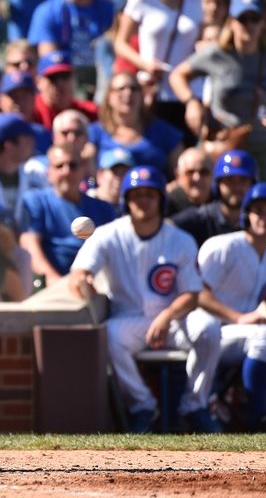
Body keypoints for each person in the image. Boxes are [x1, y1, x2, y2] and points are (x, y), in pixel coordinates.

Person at [69, 165, 222, 434]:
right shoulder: (108, 233)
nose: (143, 201)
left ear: (161, 199)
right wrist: (85, 280)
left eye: (149, 194)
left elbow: (193, 294)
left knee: (208, 328)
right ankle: (143, 406)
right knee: (111, 336)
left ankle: (194, 405)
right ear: (126, 199)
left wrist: (166, 317)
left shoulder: (180, 239)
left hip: (174, 318)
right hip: (131, 318)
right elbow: (79, 272)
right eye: (136, 194)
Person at [195, 182, 266, 429]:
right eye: (258, 210)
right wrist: (237, 317)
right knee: (265, 337)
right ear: (247, 214)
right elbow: (199, 295)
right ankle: (254, 418)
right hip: (211, 332)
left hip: (247, 332)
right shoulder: (223, 246)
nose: (264, 217)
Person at [169, 0, 266, 184]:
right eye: (242, 19)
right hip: (223, 140)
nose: (248, 25)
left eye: (254, 19)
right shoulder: (217, 54)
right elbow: (177, 75)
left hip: (260, 141)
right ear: (232, 23)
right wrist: (191, 102)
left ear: (262, 24)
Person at [114, 0, 202, 145]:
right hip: (152, 87)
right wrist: (146, 64)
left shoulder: (194, 1)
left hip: (184, 90)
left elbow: (200, 38)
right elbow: (121, 43)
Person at [172, 149, 266, 277]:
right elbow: (165, 228)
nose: (237, 186)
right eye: (230, 180)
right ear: (218, 184)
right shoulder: (200, 218)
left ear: (252, 184)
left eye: (243, 180)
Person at [19, 143, 116, 287]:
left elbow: (114, 253)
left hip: (96, 285)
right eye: (59, 166)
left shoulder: (104, 208)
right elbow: (29, 245)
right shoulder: (35, 201)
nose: (67, 171)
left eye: (73, 165)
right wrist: (54, 281)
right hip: (53, 287)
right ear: (49, 173)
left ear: (83, 170)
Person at [28, 0, 114, 96]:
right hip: (65, 77)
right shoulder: (48, 10)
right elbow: (49, 59)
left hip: (102, 76)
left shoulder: (108, 9)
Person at [88, 71, 183, 178]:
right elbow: (88, 176)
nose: (128, 93)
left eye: (134, 88)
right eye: (121, 89)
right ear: (109, 97)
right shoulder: (94, 133)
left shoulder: (165, 133)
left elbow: (181, 175)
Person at [165, 147, 213, 216]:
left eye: (204, 172)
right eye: (190, 172)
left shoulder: (221, 203)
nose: (197, 178)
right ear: (178, 175)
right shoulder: (166, 205)